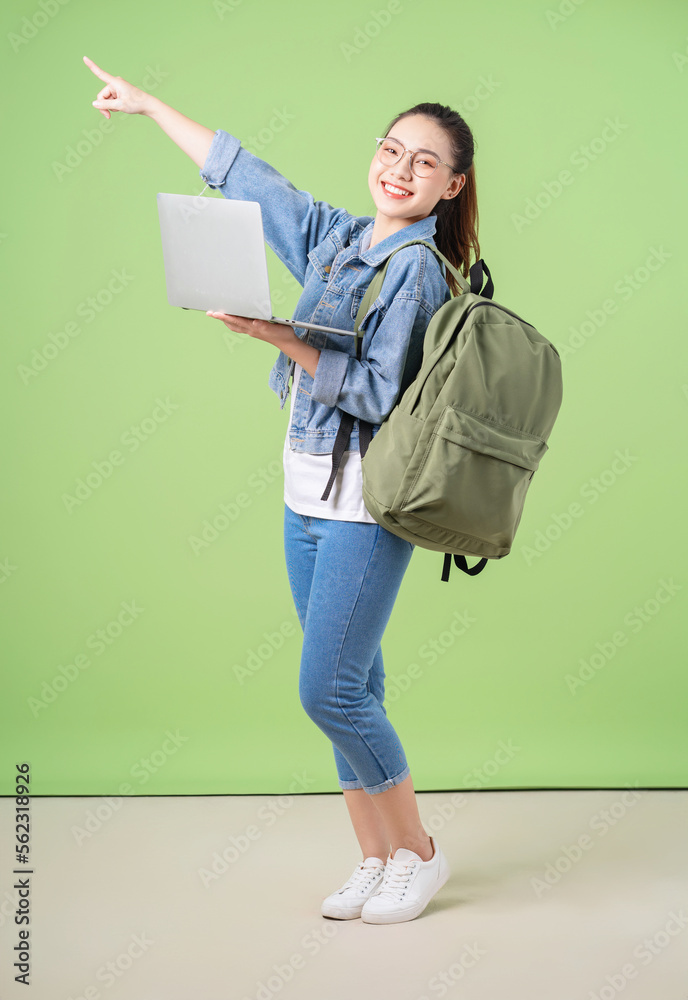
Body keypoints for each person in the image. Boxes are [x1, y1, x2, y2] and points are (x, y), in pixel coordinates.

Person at [84, 55, 480, 924]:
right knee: (355, 690)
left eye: (424, 162)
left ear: (452, 186)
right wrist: (151, 107)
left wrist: (273, 331)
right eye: (391, 149)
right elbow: (248, 177)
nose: (399, 169)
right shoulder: (342, 238)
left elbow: (376, 392)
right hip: (305, 497)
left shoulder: (414, 268)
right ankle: (374, 860)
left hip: (365, 510)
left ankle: (419, 854)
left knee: (327, 691)